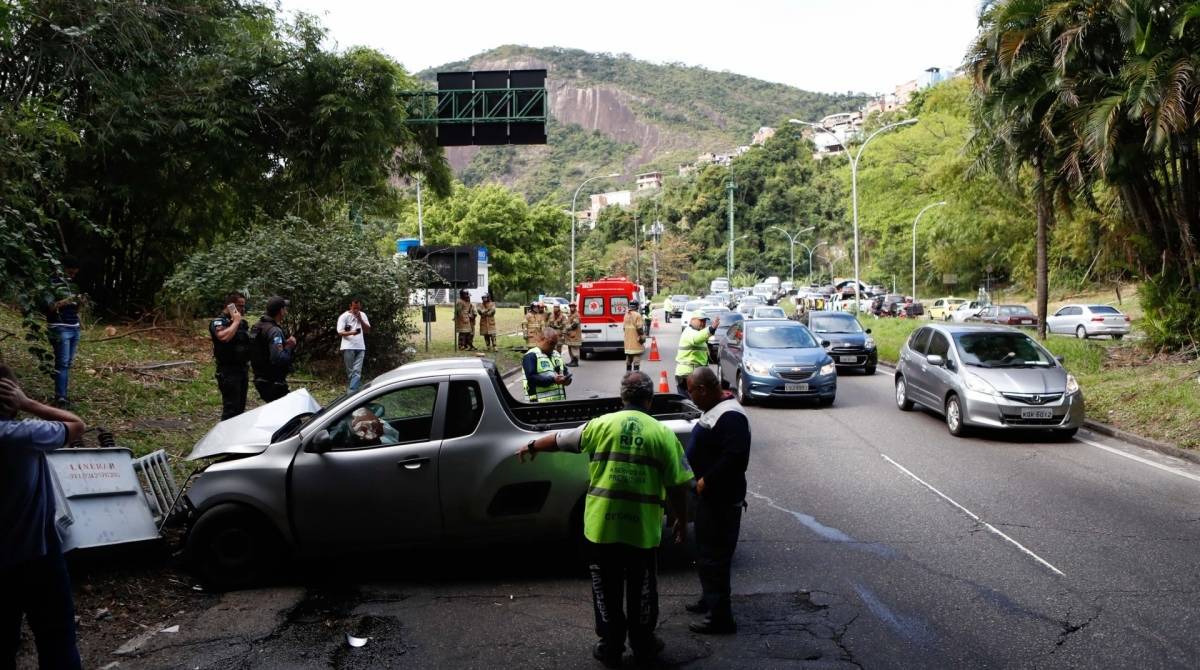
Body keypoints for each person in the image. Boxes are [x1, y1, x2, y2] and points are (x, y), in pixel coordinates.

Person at [517, 371, 692, 667]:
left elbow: (560, 440)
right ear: (649, 400)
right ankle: (643, 644)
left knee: (606, 589)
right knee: (642, 589)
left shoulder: (600, 425)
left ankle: (611, 646)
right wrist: (680, 519)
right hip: (642, 530)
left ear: (622, 397)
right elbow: (678, 485)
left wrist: (532, 446)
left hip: (601, 528)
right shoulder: (663, 434)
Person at [1, 366, 85, 669]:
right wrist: (28, 403)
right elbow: (76, 424)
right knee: (57, 640)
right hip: (37, 554)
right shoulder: (21, 436)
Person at [684, 367, 751, 635]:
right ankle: (708, 599)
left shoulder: (731, 415)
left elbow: (736, 457)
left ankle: (720, 617)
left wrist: (705, 480)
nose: (690, 397)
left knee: (715, 557)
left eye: (691, 392)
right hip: (710, 499)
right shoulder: (718, 407)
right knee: (705, 552)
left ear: (703, 389)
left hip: (720, 499)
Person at [44, 258, 82, 408]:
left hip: (74, 327)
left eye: (75, 273)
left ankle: (63, 395)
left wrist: (79, 303)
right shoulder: (51, 283)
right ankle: (60, 397)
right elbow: (48, 308)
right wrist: (65, 301)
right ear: (63, 268)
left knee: (67, 363)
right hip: (59, 327)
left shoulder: (71, 285)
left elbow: (75, 309)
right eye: (71, 272)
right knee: (62, 363)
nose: (72, 275)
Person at [209, 291, 251, 420]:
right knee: (231, 411)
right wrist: (236, 322)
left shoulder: (241, 324)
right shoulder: (218, 322)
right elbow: (223, 337)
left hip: (242, 370)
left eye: (244, 306)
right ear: (230, 306)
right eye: (239, 306)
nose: (242, 309)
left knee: (240, 409)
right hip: (228, 372)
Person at [249, 296, 296, 403]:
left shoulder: (258, 326)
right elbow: (278, 358)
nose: (286, 311)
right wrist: (290, 346)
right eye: (285, 308)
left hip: (260, 378)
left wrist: (284, 344)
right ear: (281, 311)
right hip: (273, 382)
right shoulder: (274, 331)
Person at [521, 327, 572, 403]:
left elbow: (565, 372)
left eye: (555, 344)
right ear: (542, 339)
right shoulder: (531, 355)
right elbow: (532, 378)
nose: (553, 346)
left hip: (559, 403)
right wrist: (553, 380)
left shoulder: (556, 354)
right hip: (538, 404)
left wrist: (567, 380)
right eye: (551, 343)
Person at [675, 312, 719, 400]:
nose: (703, 323)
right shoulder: (689, 332)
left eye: (705, 321)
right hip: (688, 374)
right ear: (692, 320)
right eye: (701, 320)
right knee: (692, 404)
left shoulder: (697, 333)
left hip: (694, 374)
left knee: (694, 404)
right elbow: (697, 338)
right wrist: (711, 329)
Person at [336, 298, 371, 392]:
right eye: (354, 308)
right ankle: (354, 392)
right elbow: (340, 332)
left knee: (357, 371)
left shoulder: (363, 315)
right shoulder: (344, 316)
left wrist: (360, 320)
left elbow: (367, 330)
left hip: (360, 347)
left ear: (360, 307)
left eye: (358, 308)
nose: (356, 310)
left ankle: (352, 392)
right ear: (350, 306)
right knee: (351, 372)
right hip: (348, 347)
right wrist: (352, 333)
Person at [623, 300, 646, 372]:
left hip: (627, 340)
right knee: (636, 357)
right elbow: (639, 328)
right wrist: (642, 336)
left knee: (629, 358)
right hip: (636, 340)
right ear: (637, 306)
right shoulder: (637, 315)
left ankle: (628, 373)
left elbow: (624, 328)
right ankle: (636, 374)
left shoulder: (626, 315)